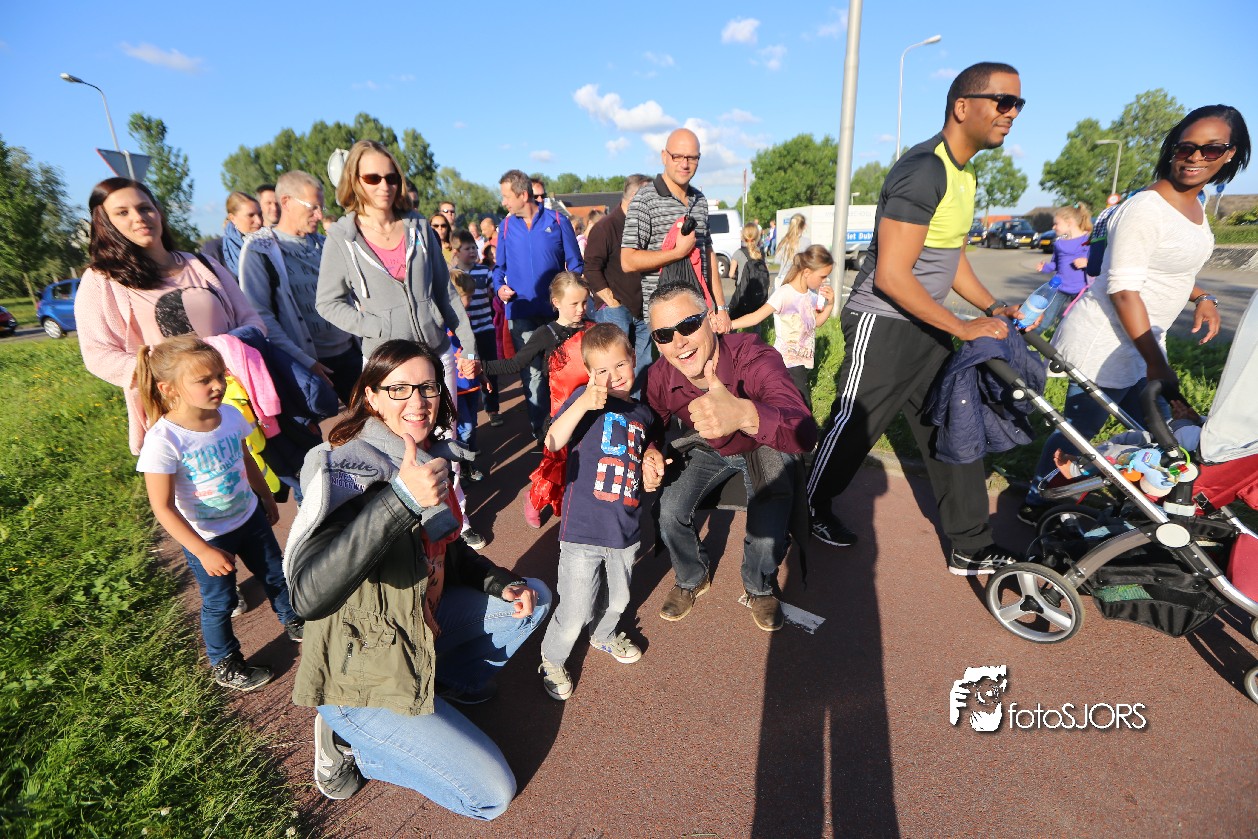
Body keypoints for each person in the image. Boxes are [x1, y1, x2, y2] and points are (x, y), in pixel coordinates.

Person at [284, 339, 551, 812]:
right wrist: (401, 499)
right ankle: (355, 745)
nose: (418, 401)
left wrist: (499, 583)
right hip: (360, 670)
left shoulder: (428, 457)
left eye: (428, 387)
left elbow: (448, 552)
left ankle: (441, 683)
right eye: (399, 389)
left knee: (532, 598)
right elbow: (307, 596)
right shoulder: (344, 466)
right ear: (371, 396)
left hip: (416, 627)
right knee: (491, 795)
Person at [805, 61, 1028, 574]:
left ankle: (971, 544)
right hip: (883, 322)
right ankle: (806, 507)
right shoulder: (925, 169)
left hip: (929, 325)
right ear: (963, 106)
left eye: (1018, 104)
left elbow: (951, 257)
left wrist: (991, 307)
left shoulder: (965, 173)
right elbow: (891, 276)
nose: (1012, 113)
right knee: (854, 426)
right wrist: (963, 326)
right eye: (1003, 101)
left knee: (955, 425)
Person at [1020, 104, 1249, 521]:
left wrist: (1203, 296)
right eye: (1186, 147)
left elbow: (1168, 269)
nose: (1196, 157)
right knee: (1080, 432)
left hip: (1143, 342)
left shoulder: (1194, 206)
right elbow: (1123, 288)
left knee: (1159, 433)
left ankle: (1128, 501)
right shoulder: (1147, 207)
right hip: (1106, 341)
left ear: (1230, 154)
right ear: (1173, 149)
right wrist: (1156, 364)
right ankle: (1038, 502)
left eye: (1211, 149)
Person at [316, 139, 484, 546]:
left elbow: (445, 293)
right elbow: (327, 302)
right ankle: (408, 527)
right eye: (373, 177)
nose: (384, 186)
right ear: (355, 181)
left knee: (442, 437)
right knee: (395, 445)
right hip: (386, 363)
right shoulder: (342, 237)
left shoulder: (419, 227)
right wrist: (372, 325)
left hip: (434, 353)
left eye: (391, 177)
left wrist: (468, 346)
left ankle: (455, 518)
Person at [643, 283, 817, 632]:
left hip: (760, 443)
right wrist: (650, 451)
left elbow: (804, 431)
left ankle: (759, 586)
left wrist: (744, 414)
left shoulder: (753, 356)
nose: (678, 342)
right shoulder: (660, 375)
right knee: (668, 509)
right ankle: (692, 577)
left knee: (769, 525)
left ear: (710, 320)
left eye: (688, 325)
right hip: (708, 446)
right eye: (664, 334)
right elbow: (653, 423)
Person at [135, 336, 301, 692]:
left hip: (250, 518)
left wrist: (265, 495)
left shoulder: (230, 415)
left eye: (220, 375)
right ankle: (225, 663)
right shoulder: (164, 440)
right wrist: (203, 551)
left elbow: (245, 458)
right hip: (208, 537)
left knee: (275, 574)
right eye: (203, 380)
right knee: (220, 601)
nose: (218, 385)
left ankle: (292, 618)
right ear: (169, 389)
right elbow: (162, 507)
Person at [75, 177, 266, 455]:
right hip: (177, 419)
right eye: (122, 212)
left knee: (266, 475)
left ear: (158, 211)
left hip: (241, 399)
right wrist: (168, 370)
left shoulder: (201, 264)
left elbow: (252, 321)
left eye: (145, 208)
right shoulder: (102, 280)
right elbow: (97, 355)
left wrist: (226, 351)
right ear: (105, 222)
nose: (139, 218)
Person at [536, 323, 662, 701]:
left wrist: (652, 459)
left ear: (633, 359)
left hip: (625, 529)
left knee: (619, 600)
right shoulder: (585, 400)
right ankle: (552, 658)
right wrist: (583, 404)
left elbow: (649, 445)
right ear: (590, 373)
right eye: (602, 370)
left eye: (620, 365)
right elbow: (553, 440)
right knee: (576, 609)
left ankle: (603, 634)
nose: (613, 376)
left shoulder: (643, 413)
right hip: (583, 528)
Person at [238, 170, 360, 405]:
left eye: (321, 208)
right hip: (306, 366)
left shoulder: (325, 244)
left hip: (350, 354)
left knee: (372, 420)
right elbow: (260, 315)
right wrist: (304, 361)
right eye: (312, 207)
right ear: (286, 202)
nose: (319, 215)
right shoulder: (260, 250)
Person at [484, 272, 592, 525]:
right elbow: (516, 363)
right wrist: (482, 367)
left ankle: (580, 505)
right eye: (574, 304)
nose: (581, 309)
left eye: (584, 303)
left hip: (592, 409)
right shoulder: (546, 334)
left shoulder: (593, 329)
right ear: (556, 302)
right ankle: (534, 498)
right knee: (555, 463)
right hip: (561, 411)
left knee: (587, 461)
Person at [491, 169, 584, 441]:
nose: (503, 202)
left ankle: (570, 427)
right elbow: (498, 269)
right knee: (532, 374)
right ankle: (543, 434)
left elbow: (575, 264)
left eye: (506, 197)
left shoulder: (557, 220)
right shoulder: (506, 226)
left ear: (523, 195)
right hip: (521, 312)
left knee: (564, 368)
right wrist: (499, 288)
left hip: (557, 313)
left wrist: (572, 296)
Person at [621, 128, 731, 332]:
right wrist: (677, 253)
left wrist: (721, 307)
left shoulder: (700, 200)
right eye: (677, 156)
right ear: (664, 156)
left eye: (692, 158)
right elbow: (627, 261)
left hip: (701, 312)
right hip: (666, 320)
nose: (685, 164)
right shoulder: (645, 199)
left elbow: (708, 253)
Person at [729, 244, 835, 409]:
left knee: (790, 405)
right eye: (823, 276)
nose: (825, 281)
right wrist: (729, 324)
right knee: (803, 406)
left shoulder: (810, 295)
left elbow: (817, 323)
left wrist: (830, 305)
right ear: (807, 272)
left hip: (800, 362)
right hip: (786, 361)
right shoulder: (785, 293)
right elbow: (756, 317)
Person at [585, 174, 653, 392]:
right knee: (614, 368)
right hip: (615, 309)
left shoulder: (643, 226)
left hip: (642, 307)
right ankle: (615, 409)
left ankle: (638, 408)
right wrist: (611, 300)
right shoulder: (605, 228)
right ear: (634, 198)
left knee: (642, 364)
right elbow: (591, 268)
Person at [451, 230, 501, 425]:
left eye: (474, 247)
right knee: (469, 368)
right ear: (456, 251)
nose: (472, 251)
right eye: (467, 248)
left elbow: (493, 292)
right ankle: (469, 408)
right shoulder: (452, 275)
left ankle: (492, 408)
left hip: (485, 328)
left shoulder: (484, 271)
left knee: (489, 368)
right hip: (464, 334)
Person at [1033, 203, 1092, 332]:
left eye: (1056, 224)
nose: (1053, 227)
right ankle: (1030, 341)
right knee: (1044, 321)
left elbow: (1099, 263)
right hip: (1059, 288)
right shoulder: (1059, 243)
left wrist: (1087, 262)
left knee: (1076, 323)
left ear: (1069, 223)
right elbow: (1056, 264)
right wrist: (1045, 267)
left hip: (1081, 290)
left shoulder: (1088, 241)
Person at [202, 192, 263, 278]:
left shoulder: (271, 246)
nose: (258, 221)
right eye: (251, 215)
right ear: (232, 218)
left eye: (260, 215)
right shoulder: (214, 250)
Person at [774, 213, 810, 286]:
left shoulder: (784, 240)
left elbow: (777, 260)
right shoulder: (806, 242)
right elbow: (807, 262)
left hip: (782, 277)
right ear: (804, 226)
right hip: (797, 279)